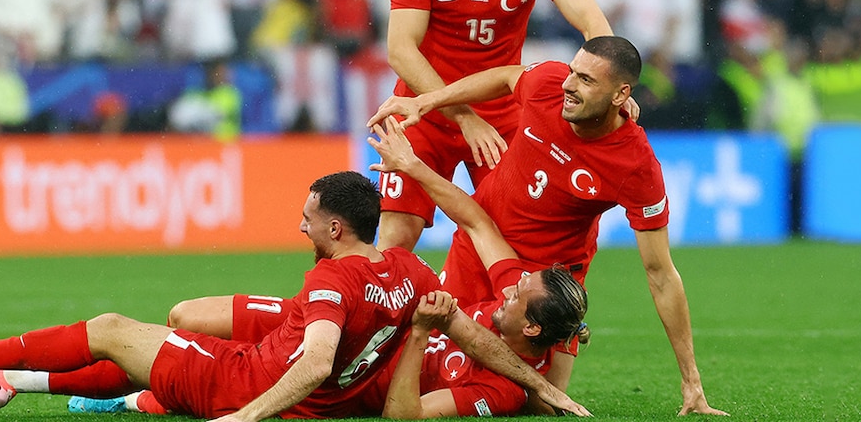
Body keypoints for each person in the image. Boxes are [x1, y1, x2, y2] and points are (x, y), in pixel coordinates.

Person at [0, 171, 590, 419]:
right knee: (160, 333)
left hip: (242, 381)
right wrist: (551, 389)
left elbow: (320, 363)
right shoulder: (411, 275)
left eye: (307, 214)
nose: (297, 224)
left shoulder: (331, 280)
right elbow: (466, 334)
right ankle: (7, 376)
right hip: (279, 364)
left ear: (334, 224)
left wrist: (246, 416)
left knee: (114, 327)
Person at [66, 115, 591, 418]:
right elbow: (477, 222)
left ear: (531, 326)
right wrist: (412, 165)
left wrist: (417, 336)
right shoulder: (502, 311)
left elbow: (403, 414)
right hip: (346, 312)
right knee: (186, 317)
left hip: (357, 365)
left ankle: (128, 398)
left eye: (521, 291)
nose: (509, 286)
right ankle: (132, 385)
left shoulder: (499, 391)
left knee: (227, 368)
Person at [368, 36, 727, 416]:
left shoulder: (635, 166)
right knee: (436, 355)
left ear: (621, 95)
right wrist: (428, 101)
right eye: (573, 72)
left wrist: (691, 380)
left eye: (586, 80)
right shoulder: (549, 87)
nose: (569, 85)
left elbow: (660, 274)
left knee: (542, 404)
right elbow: (507, 77)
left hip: (545, 283)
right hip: (480, 242)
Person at [379, 0, 617, 251]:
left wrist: (610, 87)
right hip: (424, 111)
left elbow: (595, 25)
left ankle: (506, 313)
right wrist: (463, 117)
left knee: (516, 234)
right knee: (396, 236)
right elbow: (400, 51)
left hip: (501, 114)